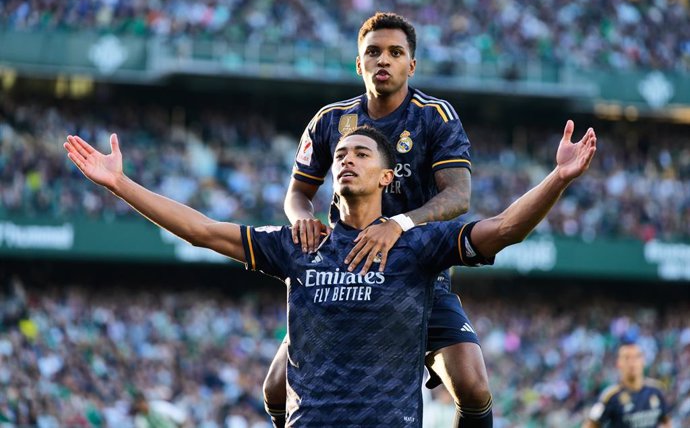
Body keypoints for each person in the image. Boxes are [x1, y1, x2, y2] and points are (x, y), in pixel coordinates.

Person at [64, 119, 595, 426]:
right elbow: (204, 230)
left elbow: (502, 229)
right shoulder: (301, 244)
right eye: (340, 153)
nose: (345, 159)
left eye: (361, 153)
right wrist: (121, 185)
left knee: (474, 387)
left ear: (388, 175)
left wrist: (559, 178)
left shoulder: (416, 247)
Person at [271, 11, 484, 428]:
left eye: (395, 52)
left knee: (473, 386)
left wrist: (399, 224)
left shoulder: (434, 116)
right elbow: (297, 194)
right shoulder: (331, 120)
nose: (383, 60)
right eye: (373, 52)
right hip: (344, 272)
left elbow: (459, 196)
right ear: (359, 63)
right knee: (275, 387)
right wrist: (302, 219)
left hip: (415, 273)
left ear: (411, 65)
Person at [584, 341, 670, 428]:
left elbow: (666, 421)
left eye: (636, 357)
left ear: (643, 361)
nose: (632, 363)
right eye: (626, 358)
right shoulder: (609, 396)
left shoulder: (656, 390)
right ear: (618, 363)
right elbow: (591, 424)